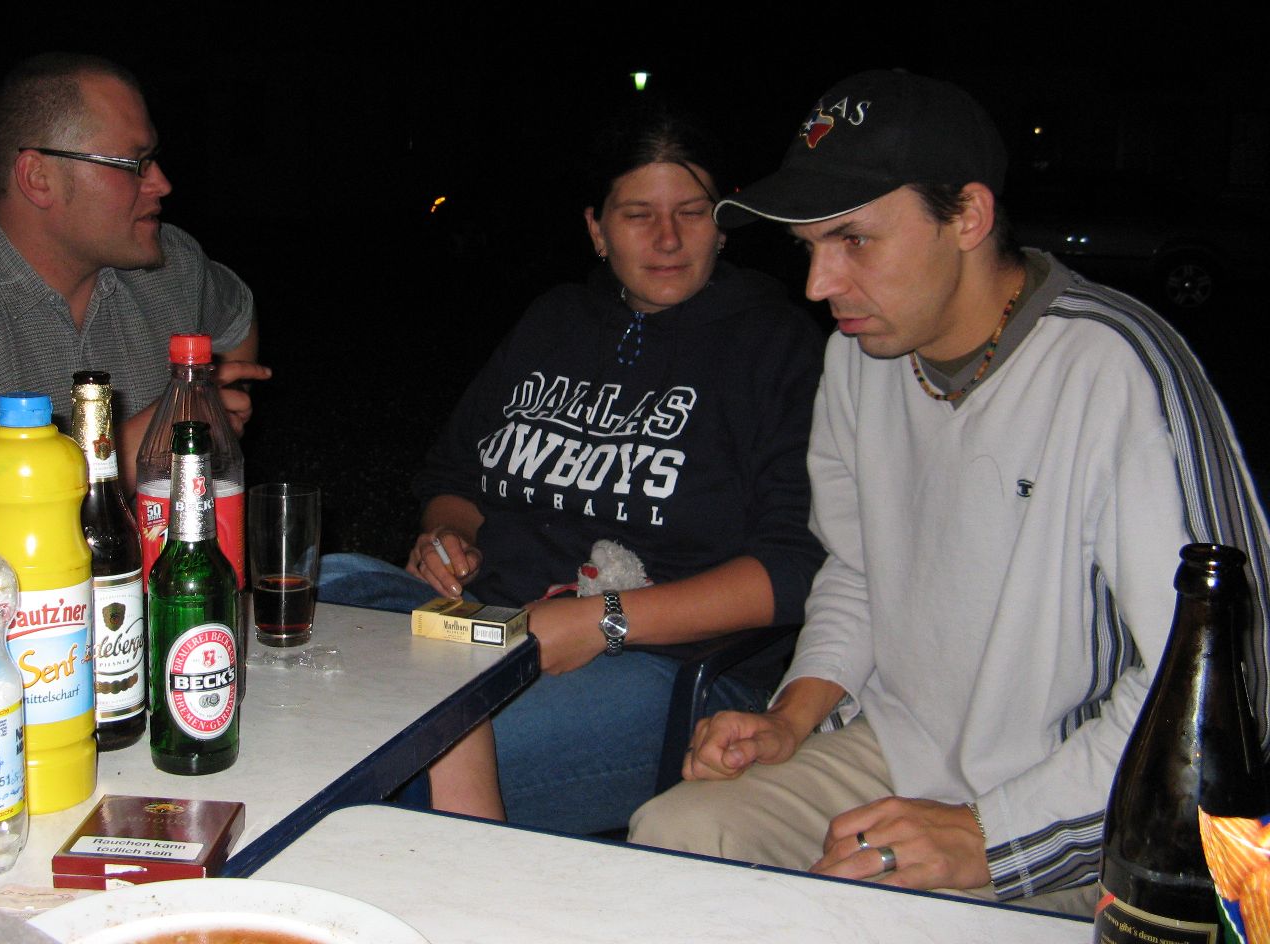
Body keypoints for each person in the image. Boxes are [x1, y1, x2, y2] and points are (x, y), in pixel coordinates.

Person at [628, 69, 1270, 915]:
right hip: (897, 752)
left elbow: (1230, 687)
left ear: (967, 216)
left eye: (854, 241)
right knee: (677, 839)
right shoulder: (859, 358)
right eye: (810, 248)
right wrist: (793, 715)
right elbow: (858, 571)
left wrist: (989, 838)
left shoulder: (1116, 372)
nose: (820, 286)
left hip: (1086, 807)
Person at [318, 102, 826, 832]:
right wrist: (448, 536)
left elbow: (794, 568)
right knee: (330, 583)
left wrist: (602, 621)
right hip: (480, 628)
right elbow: (456, 475)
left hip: (654, 668)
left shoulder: (775, 345)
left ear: (723, 223)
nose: (668, 238)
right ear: (596, 228)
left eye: (692, 213)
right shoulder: (556, 321)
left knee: (378, 753)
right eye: (637, 215)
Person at [0, 52, 267, 516]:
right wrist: (161, 434)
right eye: (134, 163)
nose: (161, 184)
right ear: (39, 178)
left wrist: (216, 423)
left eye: (154, 160)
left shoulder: (170, 265)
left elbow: (235, 313)